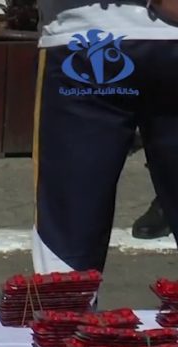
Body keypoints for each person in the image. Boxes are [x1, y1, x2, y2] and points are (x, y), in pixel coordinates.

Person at [32, 0, 178, 273]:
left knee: (68, 240)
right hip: (86, 38)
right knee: (67, 240)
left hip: (84, 37)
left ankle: (67, 298)